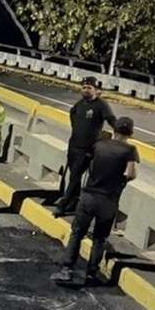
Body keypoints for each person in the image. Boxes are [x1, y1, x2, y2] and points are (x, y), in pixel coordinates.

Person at [52, 117, 139, 285]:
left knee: (77, 233)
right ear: (131, 133)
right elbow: (130, 174)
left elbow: (84, 164)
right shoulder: (130, 150)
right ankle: (91, 274)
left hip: (89, 196)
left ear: (114, 130)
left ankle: (66, 270)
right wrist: (119, 182)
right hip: (108, 200)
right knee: (100, 238)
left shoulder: (99, 144)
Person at [54, 76, 117, 216]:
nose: (86, 90)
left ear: (96, 90)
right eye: (83, 87)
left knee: (75, 176)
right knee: (72, 175)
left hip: (87, 149)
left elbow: (111, 119)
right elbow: (73, 115)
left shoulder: (101, 105)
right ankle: (73, 202)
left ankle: (62, 205)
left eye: (89, 88)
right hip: (74, 145)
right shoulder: (80, 104)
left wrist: (120, 132)